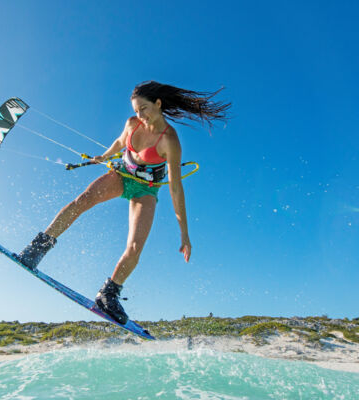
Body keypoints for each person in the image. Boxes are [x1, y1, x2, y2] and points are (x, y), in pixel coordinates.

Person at [16, 81, 230, 324]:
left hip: (146, 190)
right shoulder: (132, 124)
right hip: (122, 175)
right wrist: (105, 156)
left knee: (136, 247)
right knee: (82, 201)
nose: (140, 115)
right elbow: (120, 142)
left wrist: (185, 234)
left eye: (144, 109)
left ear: (158, 104)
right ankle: (38, 248)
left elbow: (176, 189)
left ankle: (108, 294)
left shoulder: (169, 140)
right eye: (137, 110)